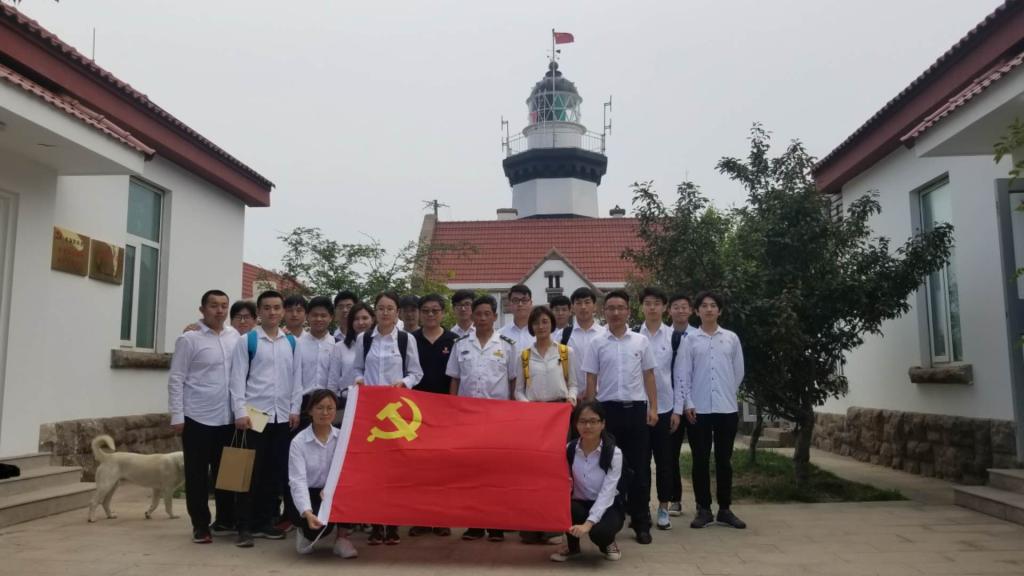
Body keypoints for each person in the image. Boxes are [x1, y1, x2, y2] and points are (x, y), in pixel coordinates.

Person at [583, 289, 657, 545]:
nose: (616, 312)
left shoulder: (640, 341)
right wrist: (591, 414)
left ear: (628, 311)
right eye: (611, 308)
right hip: (608, 412)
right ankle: (608, 520)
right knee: (608, 468)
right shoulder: (597, 343)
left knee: (639, 468)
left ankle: (641, 521)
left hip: (636, 411)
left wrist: (653, 408)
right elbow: (591, 379)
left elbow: (649, 375)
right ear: (604, 312)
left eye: (620, 308)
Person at [168, 290, 240, 544]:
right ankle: (200, 525)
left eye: (224, 306)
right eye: (213, 306)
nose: (219, 311)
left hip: (227, 418)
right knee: (197, 475)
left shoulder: (235, 337)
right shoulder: (189, 339)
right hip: (197, 417)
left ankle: (225, 519)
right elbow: (176, 378)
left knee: (227, 473)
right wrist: (177, 415)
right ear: (202, 309)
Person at [352, 292, 424, 545]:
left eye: (390, 308)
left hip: (396, 413)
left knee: (395, 470)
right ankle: (375, 524)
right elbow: (357, 368)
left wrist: (403, 383)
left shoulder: (405, 339)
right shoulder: (364, 339)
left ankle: (392, 525)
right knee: (373, 470)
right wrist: (360, 379)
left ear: (397, 312)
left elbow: (416, 373)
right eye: (381, 308)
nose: (385, 313)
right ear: (375, 311)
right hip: (371, 412)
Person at [672, 291, 746, 530]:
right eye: (704, 305)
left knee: (724, 460)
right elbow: (683, 374)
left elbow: (738, 371)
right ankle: (703, 509)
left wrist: (727, 393)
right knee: (700, 460)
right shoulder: (690, 340)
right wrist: (688, 403)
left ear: (720, 310)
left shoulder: (731, 338)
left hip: (726, 409)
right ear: (697, 311)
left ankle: (725, 509)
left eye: (713, 305)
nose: (709, 309)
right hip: (698, 410)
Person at [229, 290, 298, 548]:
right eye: (267, 307)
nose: (272, 312)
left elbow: (297, 379)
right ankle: (243, 526)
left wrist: (294, 409)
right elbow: (237, 379)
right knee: (248, 473)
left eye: (277, 307)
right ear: (258, 312)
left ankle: (265, 521)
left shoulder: (291, 342)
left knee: (273, 472)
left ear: (283, 311)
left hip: (281, 417)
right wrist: (240, 412)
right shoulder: (247, 341)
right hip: (254, 416)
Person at [446, 295, 517, 542]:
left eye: (487, 314)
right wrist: (452, 411)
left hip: (497, 419)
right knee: (472, 472)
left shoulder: (507, 345)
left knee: (496, 472)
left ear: (495, 316)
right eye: (478, 314)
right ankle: (475, 523)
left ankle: (496, 524)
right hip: (467, 417)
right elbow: (454, 379)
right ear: (472, 316)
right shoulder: (460, 344)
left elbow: (513, 381)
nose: (483, 318)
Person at [515, 305, 577, 545]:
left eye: (544, 322)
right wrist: (528, 407)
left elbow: (573, 384)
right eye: (536, 322)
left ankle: (553, 527)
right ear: (531, 327)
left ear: (551, 324)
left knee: (557, 472)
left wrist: (571, 398)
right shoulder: (524, 355)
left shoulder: (565, 352)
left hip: (558, 418)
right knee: (532, 472)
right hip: (533, 419)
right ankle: (531, 526)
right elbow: (518, 390)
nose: (540, 326)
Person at [550, 400, 624, 563]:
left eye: (593, 421)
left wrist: (588, 524)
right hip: (580, 503)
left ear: (603, 424)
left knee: (600, 532)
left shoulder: (614, 453)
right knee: (567, 509)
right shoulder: (569, 449)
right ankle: (572, 547)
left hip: (608, 506)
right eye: (582, 421)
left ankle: (608, 543)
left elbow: (607, 493)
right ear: (576, 424)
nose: (588, 426)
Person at [287, 389, 358, 559]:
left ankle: (342, 538)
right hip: (310, 492)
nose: (325, 413)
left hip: (333, 491)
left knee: (353, 492)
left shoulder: (343, 438)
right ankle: (304, 533)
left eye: (330, 408)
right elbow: (298, 481)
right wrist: (307, 512)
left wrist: (332, 490)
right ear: (310, 411)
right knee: (314, 529)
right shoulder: (299, 442)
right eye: (319, 408)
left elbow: (351, 471)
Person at [408, 293, 457, 538]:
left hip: (445, 413)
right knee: (418, 467)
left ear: (443, 313)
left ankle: (441, 517)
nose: (430, 315)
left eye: (435, 310)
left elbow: (457, 377)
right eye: (425, 310)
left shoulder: (454, 340)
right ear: (419, 313)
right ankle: (420, 517)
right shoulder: (410, 339)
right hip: (415, 413)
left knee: (443, 467)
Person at [637, 287, 676, 530]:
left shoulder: (674, 337)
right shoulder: (633, 335)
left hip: (665, 407)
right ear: (641, 306)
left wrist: (678, 409)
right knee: (640, 462)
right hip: (639, 407)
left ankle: (663, 507)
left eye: (657, 303)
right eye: (648, 303)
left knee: (664, 462)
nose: (652, 307)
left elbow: (680, 374)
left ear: (664, 307)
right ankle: (640, 508)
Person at [666, 292, 697, 517]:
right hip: (672, 404)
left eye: (684, 307)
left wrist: (690, 401)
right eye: (676, 307)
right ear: (669, 311)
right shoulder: (663, 336)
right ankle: (675, 499)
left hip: (696, 405)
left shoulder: (698, 336)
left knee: (700, 453)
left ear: (691, 310)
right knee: (671, 454)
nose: (680, 310)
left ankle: (702, 503)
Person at [291, 296, 335, 431]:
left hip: (329, 404)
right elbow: (295, 379)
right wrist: (295, 410)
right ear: (307, 317)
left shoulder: (337, 345)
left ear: (331, 317)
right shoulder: (297, 343)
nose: (319, 319)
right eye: (315, 315)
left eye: (323, 315)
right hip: (304, 404)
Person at [326, 302, 375, 406]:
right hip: (346, 402)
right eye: (356, 319)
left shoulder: (380, 345)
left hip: (374, 401)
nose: (361, 322)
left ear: (373, 320)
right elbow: (333, 382)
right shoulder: (340, 347)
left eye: (365, 318)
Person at [563, 288, 607, 400]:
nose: (583, 307)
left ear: (594, 306)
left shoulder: (605, 334)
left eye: (587, 302)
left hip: (601, 397)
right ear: (572, 308)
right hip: (572, 397)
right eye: (578, 303)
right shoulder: (563, 335)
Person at [500, 284, 535, 352]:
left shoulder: (541, 332)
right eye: (515, 300)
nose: (520, 304)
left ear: (531, 303)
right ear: (509, 304)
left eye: (524, 300)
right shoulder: (501, 335)